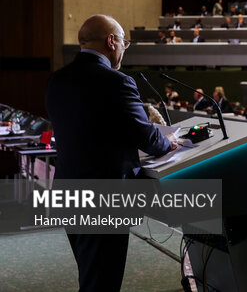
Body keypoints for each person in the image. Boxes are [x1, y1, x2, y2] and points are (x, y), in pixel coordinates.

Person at [46, 15, 175, 292]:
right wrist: (170, 141)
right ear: (111, 41)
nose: (123, 50)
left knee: (90, 274)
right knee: (102, 282)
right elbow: (146, 137)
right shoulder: (117, 81)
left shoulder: (57, 80)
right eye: (124, 43)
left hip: (67, 191)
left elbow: (88, 130)